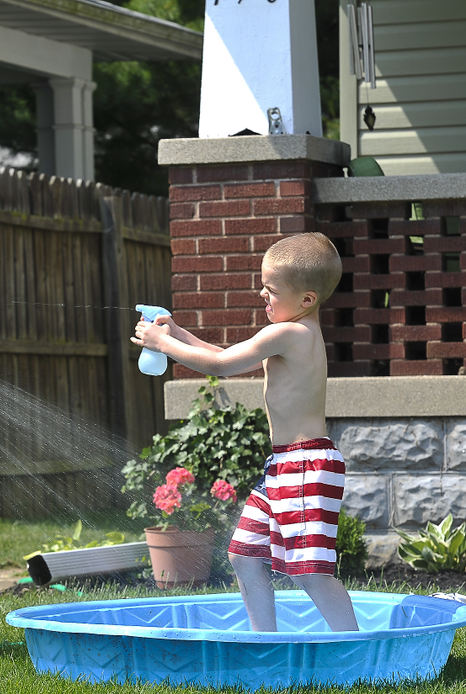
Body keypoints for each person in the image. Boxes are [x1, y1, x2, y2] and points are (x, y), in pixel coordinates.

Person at [132, 232, 358, 633]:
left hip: (305, 464)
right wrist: (177, 333)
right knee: (245, 555)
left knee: (308, 570)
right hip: (284, 465)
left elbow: (220, 367)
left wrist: (163, 344)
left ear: (306, 299)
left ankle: (355, 645)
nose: (262, 295)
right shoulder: (294, 331)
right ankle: (263, 640)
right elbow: (219, 355)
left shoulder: (291, 333)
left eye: (271, 289)